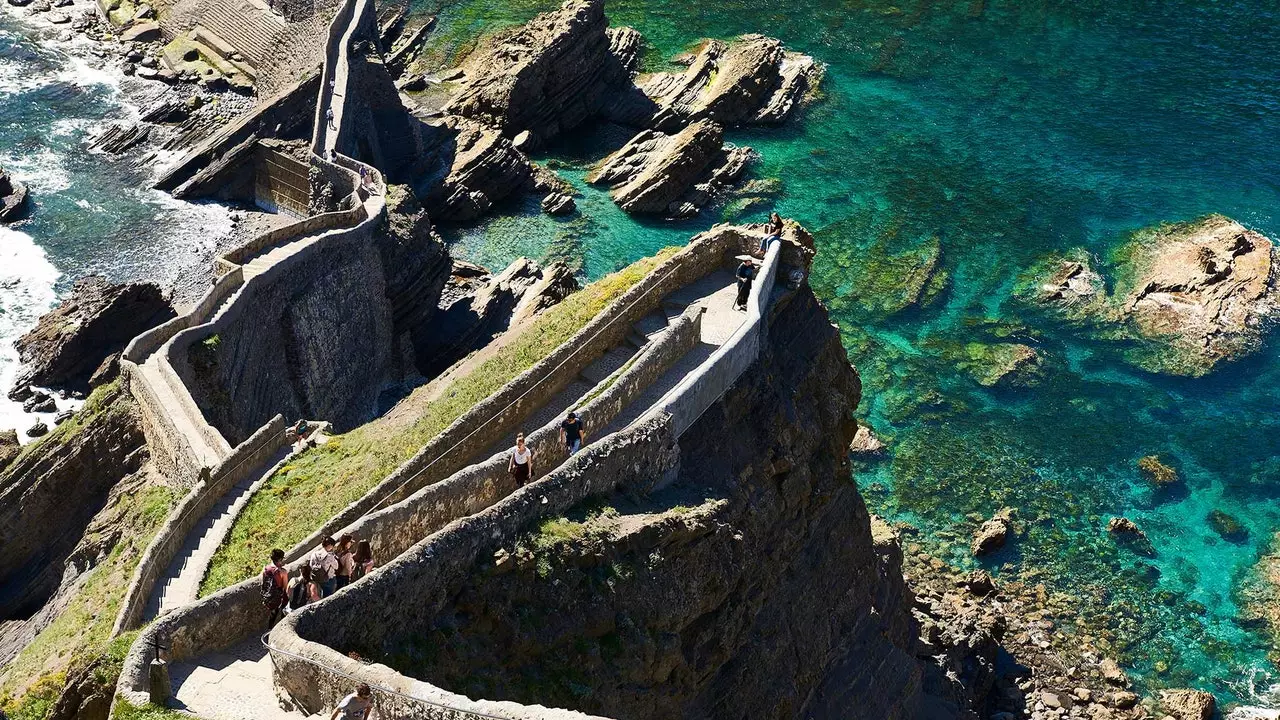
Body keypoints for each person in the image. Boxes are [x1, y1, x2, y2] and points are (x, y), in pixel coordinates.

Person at [260, 548, 289, 627]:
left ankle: (270, 629)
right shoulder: (282, 572)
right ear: (279, 559)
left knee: (273, 614)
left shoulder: (265, 569)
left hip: (269, 597)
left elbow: (263, 583)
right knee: (284, 612)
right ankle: (283, 628)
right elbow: (286, 587)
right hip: (279, 597)